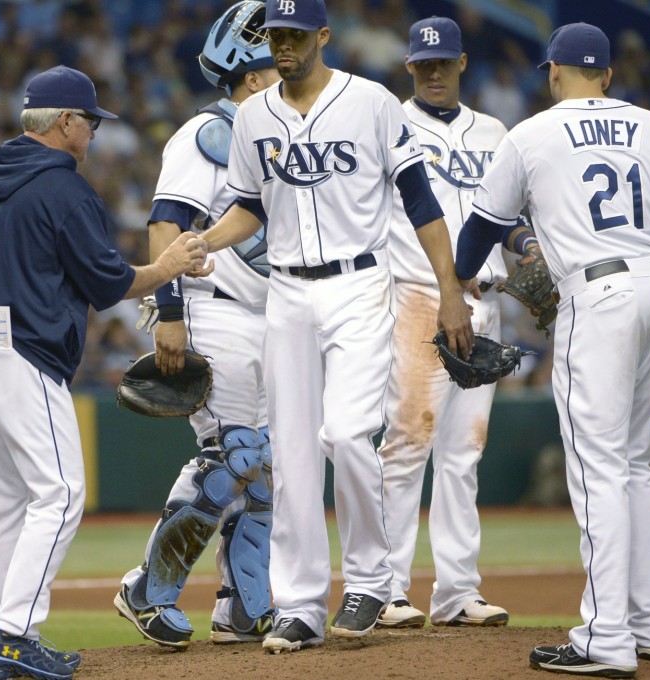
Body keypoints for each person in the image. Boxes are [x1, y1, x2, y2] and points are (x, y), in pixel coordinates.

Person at [194, 0, 474, 654]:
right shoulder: (254, 115)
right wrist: (201, 241)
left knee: (346, 433)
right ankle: (300, 606)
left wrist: (449, 287)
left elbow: (421, 199)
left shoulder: (371, 102)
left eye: (295, 34)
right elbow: (247, 207)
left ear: (321, 35)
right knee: (291, 454)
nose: (283, 46)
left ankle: (372, 577)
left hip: (358, 282)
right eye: (275, 35)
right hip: (286, 290)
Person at [454, 22, 650, 677]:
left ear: (552, 73)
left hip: (597, 300)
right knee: (631, 466)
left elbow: (476, 235)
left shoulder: (532, 133)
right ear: (608, 75)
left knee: (597, 469)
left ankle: (606, 637)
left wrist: (473, 269)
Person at [0, 65, 207, 680]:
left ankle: (10, 638)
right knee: (60, 495)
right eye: (88, 122)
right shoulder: (63, 186)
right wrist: (167, 263)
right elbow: (110, 283)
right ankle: (12, 635)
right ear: (64, 121)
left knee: (12, 506)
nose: (92, 134)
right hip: (23, 353)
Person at [114, 1, 282, 649]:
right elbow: (167, 220)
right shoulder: (207, 131)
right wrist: (171, 311)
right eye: (278, 61)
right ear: (254, 74)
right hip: (212, 309)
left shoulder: (279, 134)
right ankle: (146, 589)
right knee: (232, 456)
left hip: (269, 318)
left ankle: (244, 606)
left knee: (267, 470)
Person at [375, 16, 518, 631]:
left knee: (464, 454)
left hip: (484, 297)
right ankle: (381, 589)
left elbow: (512, 213)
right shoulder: (387, 125)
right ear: (409, 67)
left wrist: (530, 248)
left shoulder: (494, 131)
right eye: (423, 64)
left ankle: (458, 592)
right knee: (408, 443)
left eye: (444, 62)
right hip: (415, 296)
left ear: (462, 64)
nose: (434, 72)